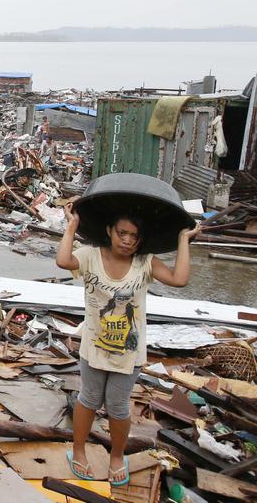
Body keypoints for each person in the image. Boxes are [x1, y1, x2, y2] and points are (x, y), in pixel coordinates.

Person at [56, 206, 200, 487]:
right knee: (88, 399)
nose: (127, 240)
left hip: (129, 352)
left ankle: (116, 457)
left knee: (118, 407)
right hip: (94, 348)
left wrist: (184, 238)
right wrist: (72, 224)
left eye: (134, 236)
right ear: (109, 231)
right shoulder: (90, 255)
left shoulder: (145, 262)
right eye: (122, 233)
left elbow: (179, 279)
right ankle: (79, 450)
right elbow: (63, 261)